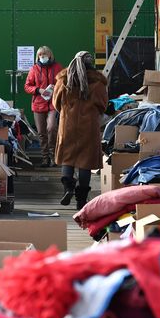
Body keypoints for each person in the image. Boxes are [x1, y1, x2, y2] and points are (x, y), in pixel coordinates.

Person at [53, 51, 108, 210]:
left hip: (67, 125)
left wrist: (66, 111)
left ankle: (68, 187)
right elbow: (102, 105)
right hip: (88, 126)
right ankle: (81, 201)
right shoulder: (98, 82)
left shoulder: (63, 80)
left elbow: (56, 103)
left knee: (67, 158)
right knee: (85, 163)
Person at [24, 46, 63, 168]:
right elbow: (27, 86)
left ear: (50, 55)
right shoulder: (34, 69)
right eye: (40, 55)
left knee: (52, 128)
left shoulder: (57, 67)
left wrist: (56, 88)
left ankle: (53, 157)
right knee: (41, 132)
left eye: (45, 54)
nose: (43, 57)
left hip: (53, 103)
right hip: (38, 104)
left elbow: (63, 82)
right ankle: (45, 158)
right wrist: (38, 90)